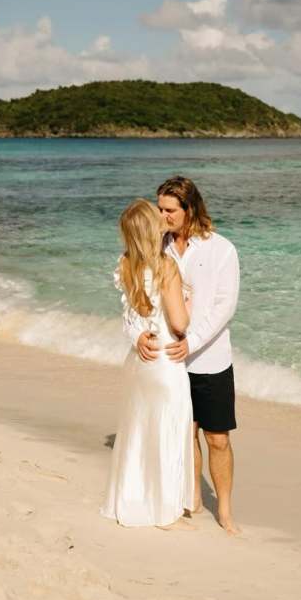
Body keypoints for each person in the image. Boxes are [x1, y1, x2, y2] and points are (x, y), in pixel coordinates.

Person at [131, 177, 241, 536]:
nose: (161, 216)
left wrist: (192, 341)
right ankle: (191, 498)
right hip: (169, 362)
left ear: (189, 209)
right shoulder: (154, 247)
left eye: (169, 210)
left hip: (211, 360)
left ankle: (224, 509)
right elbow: (136, 296)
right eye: (159, 209)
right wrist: (137, 333)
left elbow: (225, 307)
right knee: (184, 433)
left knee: (217, 439)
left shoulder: (221, 249)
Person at [100, 199, 194, 528]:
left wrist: (137, 335)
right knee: (168, 430)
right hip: (166, 359)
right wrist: (189, 301)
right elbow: (179, 323)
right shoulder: (166, 267)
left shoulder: (126, 263)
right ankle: (165, 510)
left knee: (140, 431)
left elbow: (129, 315)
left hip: (141, 360)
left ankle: (134, 498)